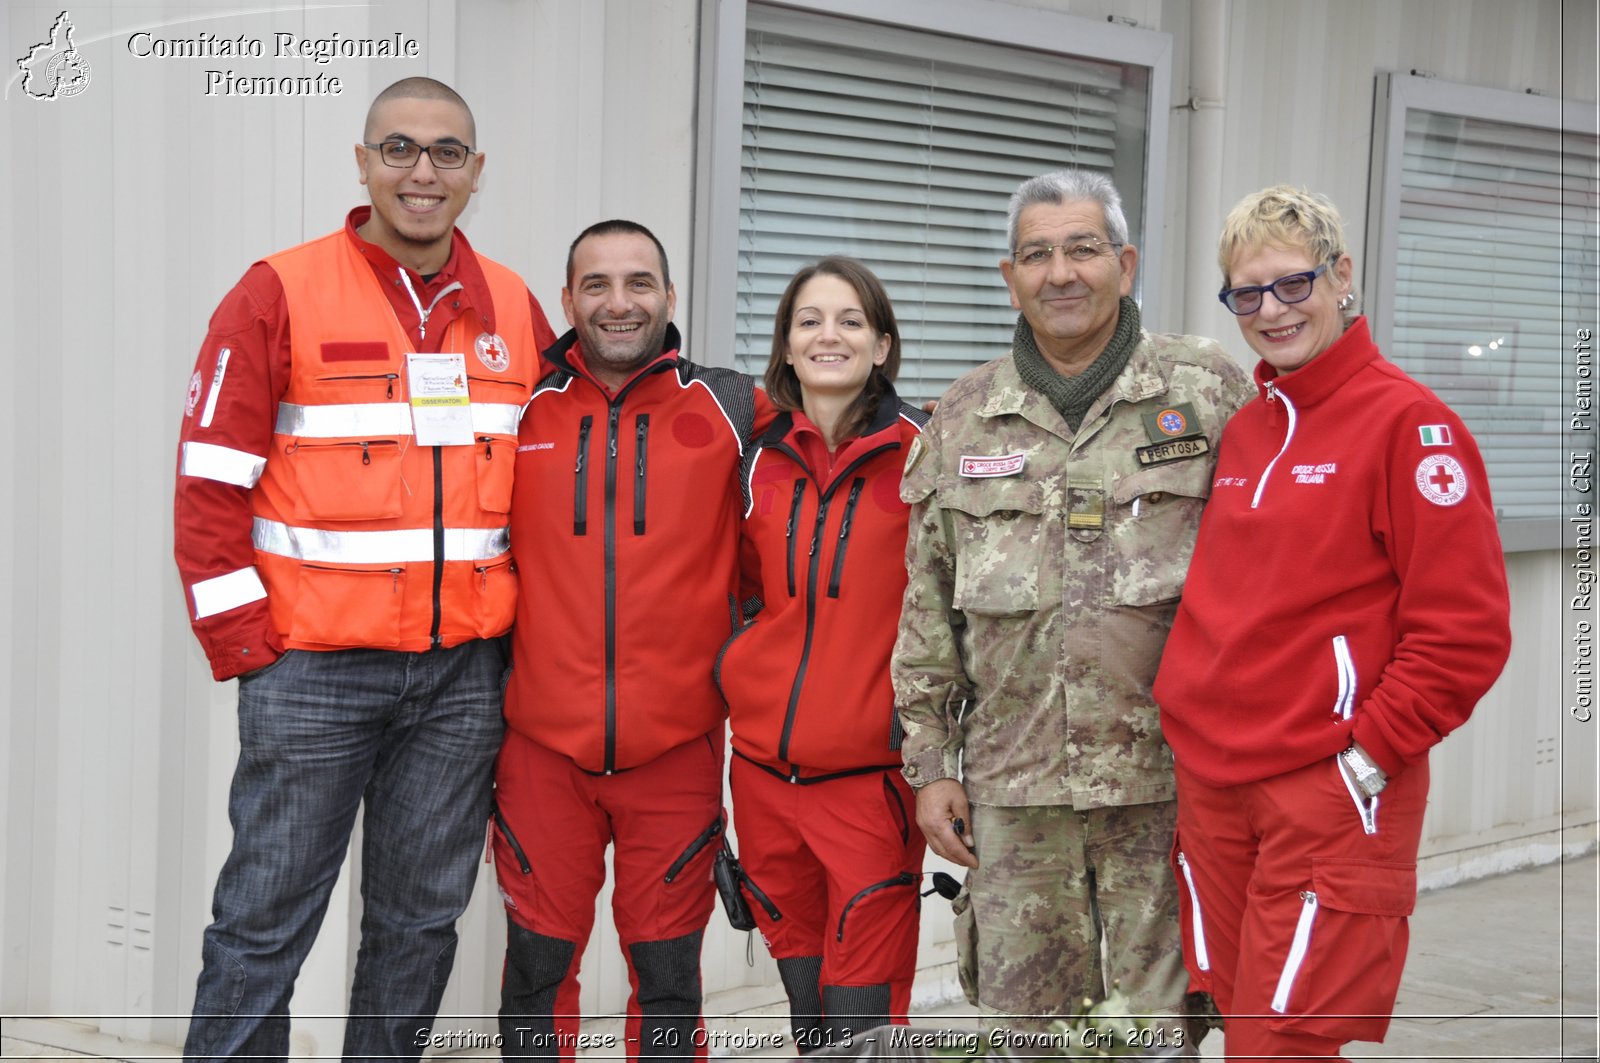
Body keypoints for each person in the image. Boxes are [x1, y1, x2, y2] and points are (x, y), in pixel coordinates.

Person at [172, 77, 556, 1059]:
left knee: (420, 923)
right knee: (263, 922)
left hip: (463, 679)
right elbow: (209, 482)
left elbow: (562, 482)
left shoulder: (512, 305)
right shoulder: (279, 290)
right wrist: (248, 647)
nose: (421, 171)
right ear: (363, 162)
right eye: (399, 149)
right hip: (311, 671)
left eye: (444, 152)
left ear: (474, 173)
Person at [1153, 185, 1511, 1062]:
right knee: (1242, 1027)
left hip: (1328, 790)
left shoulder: (1410, 425)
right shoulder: (1248, 428)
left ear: (1341, 276)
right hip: (1216, 790)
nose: (1271, 312)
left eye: (1292, 283)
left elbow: (1464, 632)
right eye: (1247, 293)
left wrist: (1366, 759)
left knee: (1286, 1044)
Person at [892, 169, 1253, 1037]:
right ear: (1009, 278)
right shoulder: (964, 416)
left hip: (1168, 788)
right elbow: (928, 603)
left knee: (1160, 1031)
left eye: (1083, 248)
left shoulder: (1205, 391)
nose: (1062, 272)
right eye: (1037, 254)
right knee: (1032, 1032)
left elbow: (1266, 583)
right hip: (1015, 798)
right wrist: (932, 762)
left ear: (1125, 264)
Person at [492, 220, 769, 1060]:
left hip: (676, 747)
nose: (620, 303)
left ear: (671, 297)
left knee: (672, 979)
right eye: (598, 285)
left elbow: (818, 480)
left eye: (640, 282)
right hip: (542, 748)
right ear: (568, 299)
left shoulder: (731, 405)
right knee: (536, 973)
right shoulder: (516, 409)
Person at [714, 257, 929, 1050]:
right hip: (766, 775)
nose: (828, 334)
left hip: (869, 780)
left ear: (881, 346)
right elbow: (742, 589)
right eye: (810, 320)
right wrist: (744, 672)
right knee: (806, 1001)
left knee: (865, 1014)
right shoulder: (758, 457)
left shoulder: (921, 454)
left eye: (849, 320)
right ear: (787, 343)